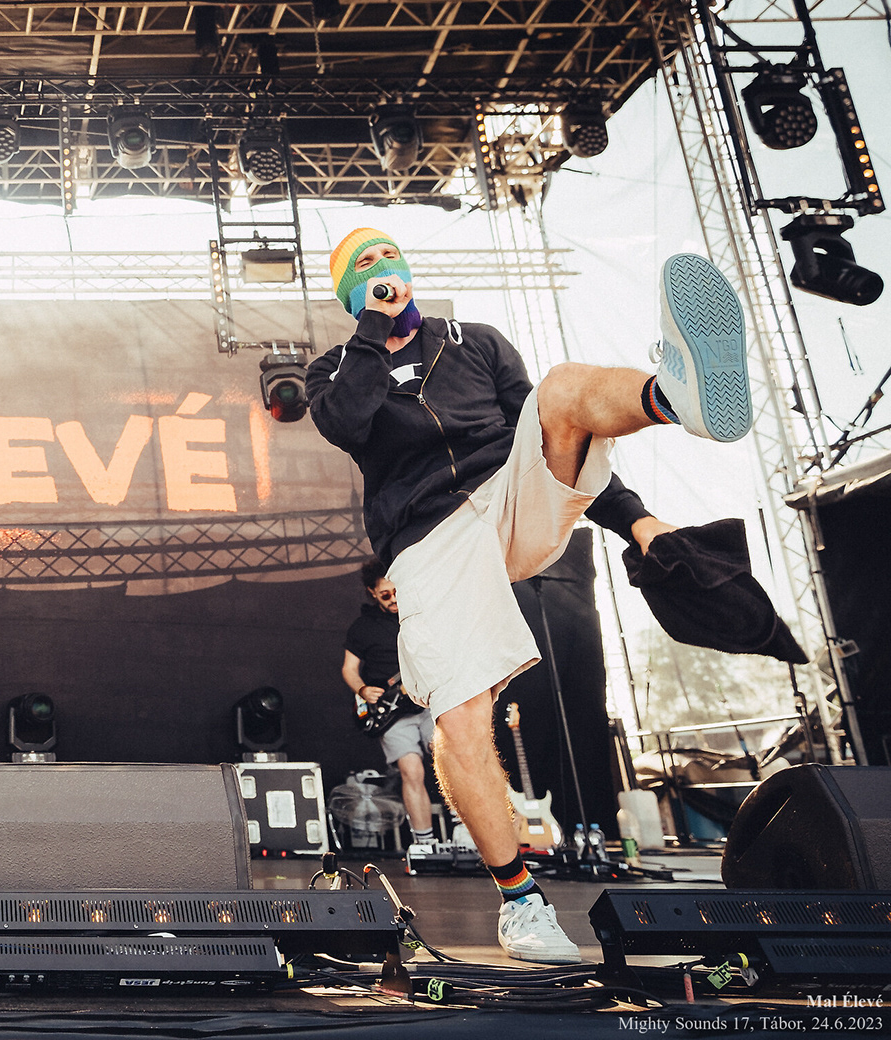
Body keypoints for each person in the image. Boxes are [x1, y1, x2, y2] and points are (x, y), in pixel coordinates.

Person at [305, 227, 751, 963]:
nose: (384, 267)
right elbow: (347, 421)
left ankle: (673, 395)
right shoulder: (338, 367)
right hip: (428, 534)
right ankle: (521, 902)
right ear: (349, 290)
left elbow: (545, 426)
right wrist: (372, 332)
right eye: (365, 264)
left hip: (509, 493)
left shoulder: (475, 341)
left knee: (563, 387)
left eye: (390, 254)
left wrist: (636, 521)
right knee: (459, 719)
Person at [340, 558, 434, 850]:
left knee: (454, 761)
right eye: (385, 595)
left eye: (397, 592)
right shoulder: (362, 627)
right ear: (372, 592)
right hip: (392, 714)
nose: (393, 599)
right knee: (412, 772)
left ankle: (466, 832)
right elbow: (349, 669)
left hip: (429, 702)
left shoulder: (421, 615)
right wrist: (363, 689)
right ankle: (424, 845)